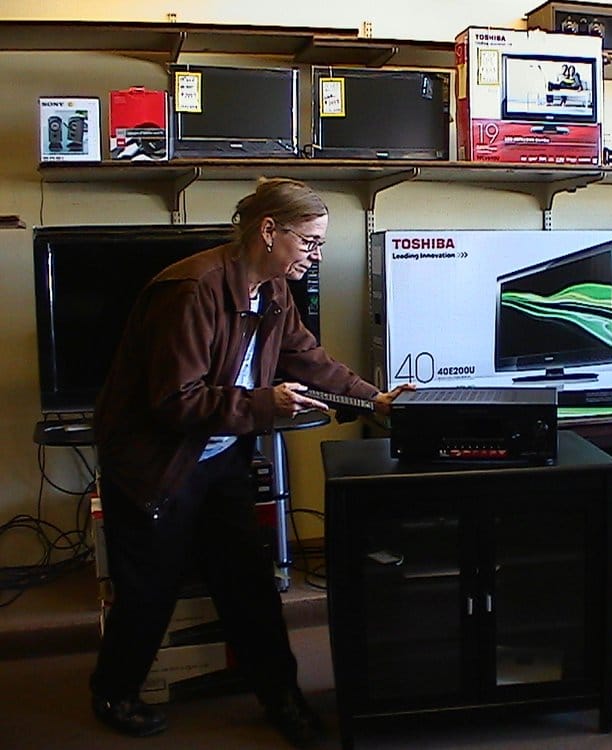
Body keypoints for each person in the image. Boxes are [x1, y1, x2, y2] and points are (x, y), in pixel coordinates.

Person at [89, 177, 412, 747]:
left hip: (220, 457)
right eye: (309, 242)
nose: (316, 255)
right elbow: (175, 402)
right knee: (149, 592)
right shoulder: (192, 289)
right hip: (156, 463)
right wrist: (267, 403)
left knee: (249, 587)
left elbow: (307, 357)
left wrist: (372, 398)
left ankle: (282, 700)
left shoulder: (274, 290)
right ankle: (114, 693)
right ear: (268, 231)